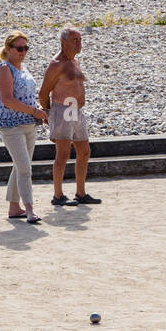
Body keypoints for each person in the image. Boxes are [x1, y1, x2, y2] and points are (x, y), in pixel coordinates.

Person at [38, 27, 100, 206]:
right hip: (62, 109)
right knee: (63, 154)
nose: (79, 43)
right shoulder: (56, 64)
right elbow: (44, 92)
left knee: (84, 151)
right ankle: (58, 194)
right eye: (75, 40)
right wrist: (48, 113)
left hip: (76, 109)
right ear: (63, 42)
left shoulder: (74, 61)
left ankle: (81, 192)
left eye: (80, 39)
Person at [0, 31, 48, 222]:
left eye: (26, 48)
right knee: (24, 167)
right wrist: (33, 111)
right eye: (19, 48)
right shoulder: (4, 68)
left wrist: (37, 109)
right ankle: (30, 208)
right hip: (11, 125)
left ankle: (14, 207)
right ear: (8, 49)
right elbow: (7, 100)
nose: (23, 52)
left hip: (28, 124)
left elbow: (27, 97)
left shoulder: (23, 69)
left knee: (20, 166)